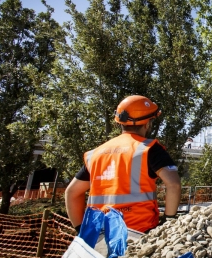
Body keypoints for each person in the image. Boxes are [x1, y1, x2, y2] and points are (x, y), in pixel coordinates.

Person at [65, 95, 182, 233]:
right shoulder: (149, 149)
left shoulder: (96, 153)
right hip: (137, 232)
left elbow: (71, 192)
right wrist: (169, 219)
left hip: (98, 233)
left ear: (120, 122)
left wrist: (80, 228)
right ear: (147, 123)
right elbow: (173, 184)